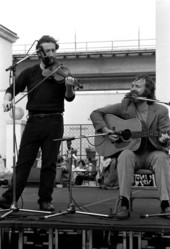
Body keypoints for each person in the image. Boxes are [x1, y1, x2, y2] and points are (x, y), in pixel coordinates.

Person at [0, 35, 76, 211]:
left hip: (54, 120)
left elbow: (69, 98)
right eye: (48, 50)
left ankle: (45, 201)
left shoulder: (62, 72)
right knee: (23, 162)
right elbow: (13, 89)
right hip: (34, 121)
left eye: (53, 50)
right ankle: (8, 199)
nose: (52, 54)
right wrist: (6, 99)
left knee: (49, 164)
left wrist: (70, 86)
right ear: (39, 52)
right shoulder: (30, 72)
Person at [90, 73, 170, 219]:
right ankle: (124, 204)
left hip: (152, 153)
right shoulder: (125, 108)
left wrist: (165, 139)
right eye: (132, 86)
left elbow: (166, 134)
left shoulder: (161, 110)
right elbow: (96, 113)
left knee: (162, 158)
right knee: (125, 155)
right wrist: (106, 130)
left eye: (137, 86)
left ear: (148, 90)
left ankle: (165, 204)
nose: (133, 89)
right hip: (133, 153)